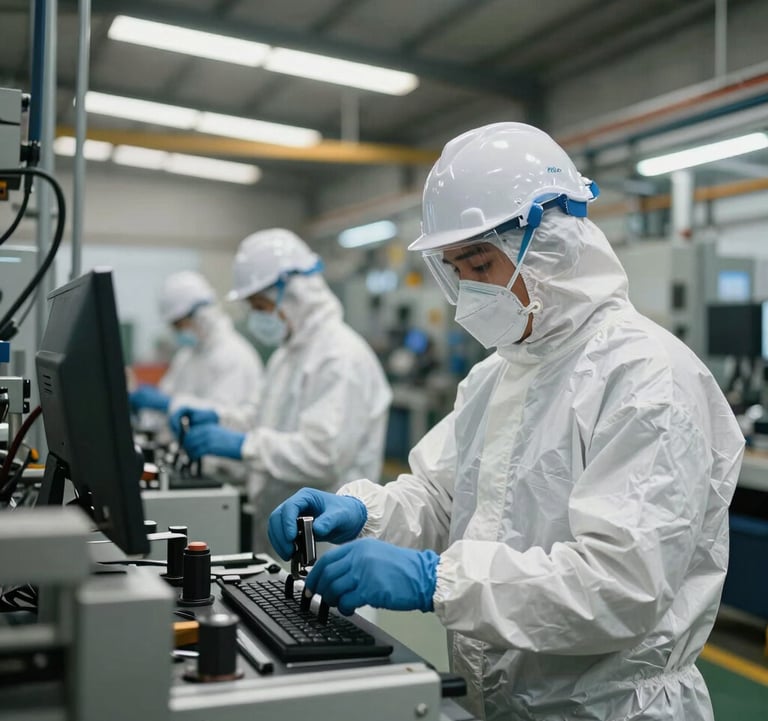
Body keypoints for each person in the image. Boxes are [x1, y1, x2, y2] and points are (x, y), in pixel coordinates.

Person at [268, 123, 745, 721]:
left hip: (610, 709)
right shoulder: (497, 375)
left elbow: (621, 586)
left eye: (480, 262)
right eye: (455, 269)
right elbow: (444, 498)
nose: (468, 288)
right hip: (496, 701)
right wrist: (365, 515)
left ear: (552, 242)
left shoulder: (647, 376)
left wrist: (433, 578)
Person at [172, 229, 392, 551]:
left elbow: (323, 456)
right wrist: (220, 419)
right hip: (282, 535)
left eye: (261, 305)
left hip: (327, 544)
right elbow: (263, 421)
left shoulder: (340, 356)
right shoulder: (286, 355)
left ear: (295, 293)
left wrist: (244, 446)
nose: (259, 316)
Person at [129, 270, 265, 425]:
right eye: (174, 326)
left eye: (180, 323)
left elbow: (222, 415)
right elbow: (165, 399)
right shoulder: (186, 355)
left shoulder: (235, 355)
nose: (178, 331)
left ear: (201, 316)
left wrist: (169, 404)